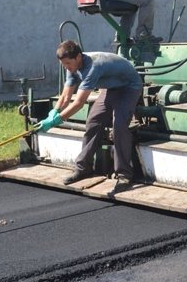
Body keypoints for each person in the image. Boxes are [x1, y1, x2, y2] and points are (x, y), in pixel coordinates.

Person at [37, 40, 143, 196]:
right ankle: (83, 168)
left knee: (119, 126)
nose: (65, 67)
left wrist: (57, 120)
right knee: (93, 121)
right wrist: (53, 112)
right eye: (63, 64)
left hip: (128, 87)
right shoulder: (71, 67)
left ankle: (124, 175)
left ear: (78, 57)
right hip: (111, 88)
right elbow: (66, 95)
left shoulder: (93, 67)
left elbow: (79, 103)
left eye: (67, 63)